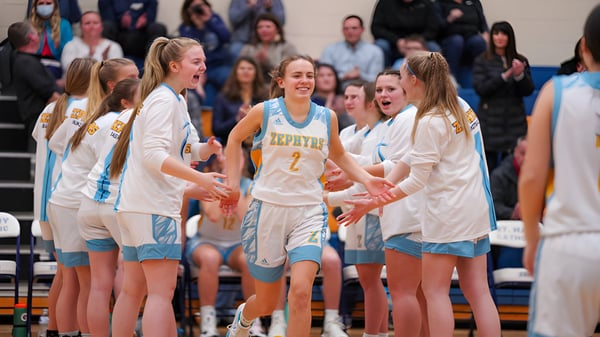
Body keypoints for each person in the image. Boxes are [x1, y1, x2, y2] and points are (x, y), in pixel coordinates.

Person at [218, 55, 394, 337]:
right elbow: (234, 138)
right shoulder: (264, 111)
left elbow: (339, 156)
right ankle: (244, 316)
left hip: (309, 211)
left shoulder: (327, 117)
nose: (305, 81)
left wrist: (367, 179)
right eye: (297, 75)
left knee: (301, 292)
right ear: (281, 81)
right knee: (264, 302)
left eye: (309, 75)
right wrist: (231, 184)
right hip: (268, 208)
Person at [338, 51, 501, 337]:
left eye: (400, 78)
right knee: (478, 291)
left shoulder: (428, 119)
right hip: (476, 208)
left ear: (414, 80)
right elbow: (414, 156)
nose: (399, 83)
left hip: (448, 213)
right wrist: (386, 183)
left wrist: (377, 200)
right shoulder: (460, 105)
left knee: (434, 290)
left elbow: (417, 181)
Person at [108, 37, 230, 337]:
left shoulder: (175, 97)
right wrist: (198, 178)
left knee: (133, 291)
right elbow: (153, 155)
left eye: (203, 60)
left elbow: (183, 150)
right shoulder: (164, 99)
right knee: (161, 293)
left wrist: (206, 150)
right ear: (173, 65)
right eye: (195, 61)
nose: (203, 66)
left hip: (136, 207)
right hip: (153, 207)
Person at [518, 4, 600, 337]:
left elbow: (533, 177)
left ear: (583, 45)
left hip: (570, 244)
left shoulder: (557, 91)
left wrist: (532, 240)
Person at [32, 57, 95, 337]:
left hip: (44, 203)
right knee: (73, 278)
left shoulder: (50, 108)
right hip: (68, 199)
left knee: (64, 274)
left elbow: (41, 140)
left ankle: (55, 331)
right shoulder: (85, 110)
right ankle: (70, 331)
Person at [324, 79, 390, 337]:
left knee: (371, 280)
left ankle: (373, 333)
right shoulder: (348, 133)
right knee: (367, 280)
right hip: (356, 211)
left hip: (371, 211)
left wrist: (327, 198)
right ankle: (380, 333)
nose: (348, 101)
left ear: (370, 102)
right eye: (346, 96)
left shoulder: (381, 133)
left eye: (355, 96)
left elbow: (365, 181)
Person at [76, 78, 141, 337]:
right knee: (134, 282)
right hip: (116, 204)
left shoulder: (104, 121)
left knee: (99, 287)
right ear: (126, 102)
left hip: (89, 201)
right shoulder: (139, 118)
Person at [185, 154, 266, 337]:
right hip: (206, 241)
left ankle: (251, 320)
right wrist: (228, 183)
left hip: (237, 244)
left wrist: (235, 187)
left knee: (249, 260)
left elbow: (246, 218)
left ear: (243, 162)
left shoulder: (251, 185)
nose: (233, 161)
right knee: (210, 258)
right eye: (229, 157)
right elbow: (213, 214)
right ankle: (208, 320)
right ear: (220, 162)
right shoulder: (210, 181)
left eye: (238, 157)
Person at [472, 21, 534, 172]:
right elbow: (481, 89)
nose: (499, 37)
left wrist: (519, 75)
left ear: (510, 37)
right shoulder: (482, 60)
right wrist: (505, 76)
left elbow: (528, 90)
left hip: (514, 122)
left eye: (503, 33)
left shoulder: (520, 60)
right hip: (490, 123)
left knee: (513, 172)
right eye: (496, 33)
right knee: (488, 170)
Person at [266, 235, 348, 337]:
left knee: (332, 261)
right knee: (276, 260)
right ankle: (278, 321)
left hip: (311, 240)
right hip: (281, 242)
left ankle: (331, 322)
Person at [7, 20, 61, 152]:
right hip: (40, 122)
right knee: (38, 161)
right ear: (31, 36)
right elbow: (50, 94)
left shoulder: (25, 60)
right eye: (36, 32)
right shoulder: (26, 62)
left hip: (41, 120)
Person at [179, 0, 233, 107]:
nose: (198, 9)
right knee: (207, 101)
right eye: (194, 7)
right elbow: (190, 49)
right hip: (199, 69)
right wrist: (199, 28)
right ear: (188, 11)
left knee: (230, 78)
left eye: (200, 6)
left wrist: (209, 20)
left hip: (218, 66)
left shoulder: (214, 19)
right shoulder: (185, 27)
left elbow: (226, 37)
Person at [212, 56, 268, 145]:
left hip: (261, 145)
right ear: (235, 72)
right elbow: (217, 130)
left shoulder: (265, 96)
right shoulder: (223, 97)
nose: (246, 71)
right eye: (242, 68)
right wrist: (237, 119)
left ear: (256, 73)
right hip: (232, 145)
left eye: (250, 68)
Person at [370, 0, 441, 66]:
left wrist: (418, 41)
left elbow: (433, 29)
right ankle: (386, 75)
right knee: (381, 45)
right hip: (393, 42)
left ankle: (434, 76)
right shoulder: (385, 3)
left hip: (420, 41)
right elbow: (377, 28)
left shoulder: (427, 3)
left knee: (434, 48)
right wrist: (396, 40)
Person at [319, 15, 384, 85]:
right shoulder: (330, 50)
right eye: (346, 29)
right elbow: (323, 76)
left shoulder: (375, 51)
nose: (350, 32)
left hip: (365, 91)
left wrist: (360, 75)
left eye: (354, 28)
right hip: (336, 92)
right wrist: (344, 76)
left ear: (362, 30)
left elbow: (377, 80)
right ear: (342, 31)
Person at [98, 0, 168, 60]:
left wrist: (146, 20)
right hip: (119, 35)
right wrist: (121, 22)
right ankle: (109, 65)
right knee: (106, 27)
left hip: (141, 36)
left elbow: (151, 15)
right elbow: (107, 18)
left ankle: (152, 64)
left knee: (158, 28)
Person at [239, 13, 298, 82]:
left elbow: (288, 71)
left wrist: (267, 62)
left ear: (277, 29)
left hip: (277, 85)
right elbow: (240, 69)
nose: (264, 30)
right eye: (260, 27)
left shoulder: (287, 47)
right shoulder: (248, 48)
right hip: (253, 86)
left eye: (268, 27)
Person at [438, 0, 489, 79]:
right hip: (449, 38)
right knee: (457, 41)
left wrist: (486, 33)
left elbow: (482, 23)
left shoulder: (474, 2)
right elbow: (436, 28)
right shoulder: (441, 3)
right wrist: (449, 19)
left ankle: (482, 76)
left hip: (470, 37)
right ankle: (450, 77)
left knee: (478, 41)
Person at [29, 0, 74, 80]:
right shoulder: (29, 25)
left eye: (48, 3)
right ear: (35, 6)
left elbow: (69, 52)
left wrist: (58, 45)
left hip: (55, 65)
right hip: (34, 64)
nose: (45, 6)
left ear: (55, 6)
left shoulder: (64, 24)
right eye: (41, 3)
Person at [312, 63, 353, 131]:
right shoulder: (309, 102)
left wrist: (343, 112)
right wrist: (329, 104)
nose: (326, 79)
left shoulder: (347, 99)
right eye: (321, 75)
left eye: (329, 75)